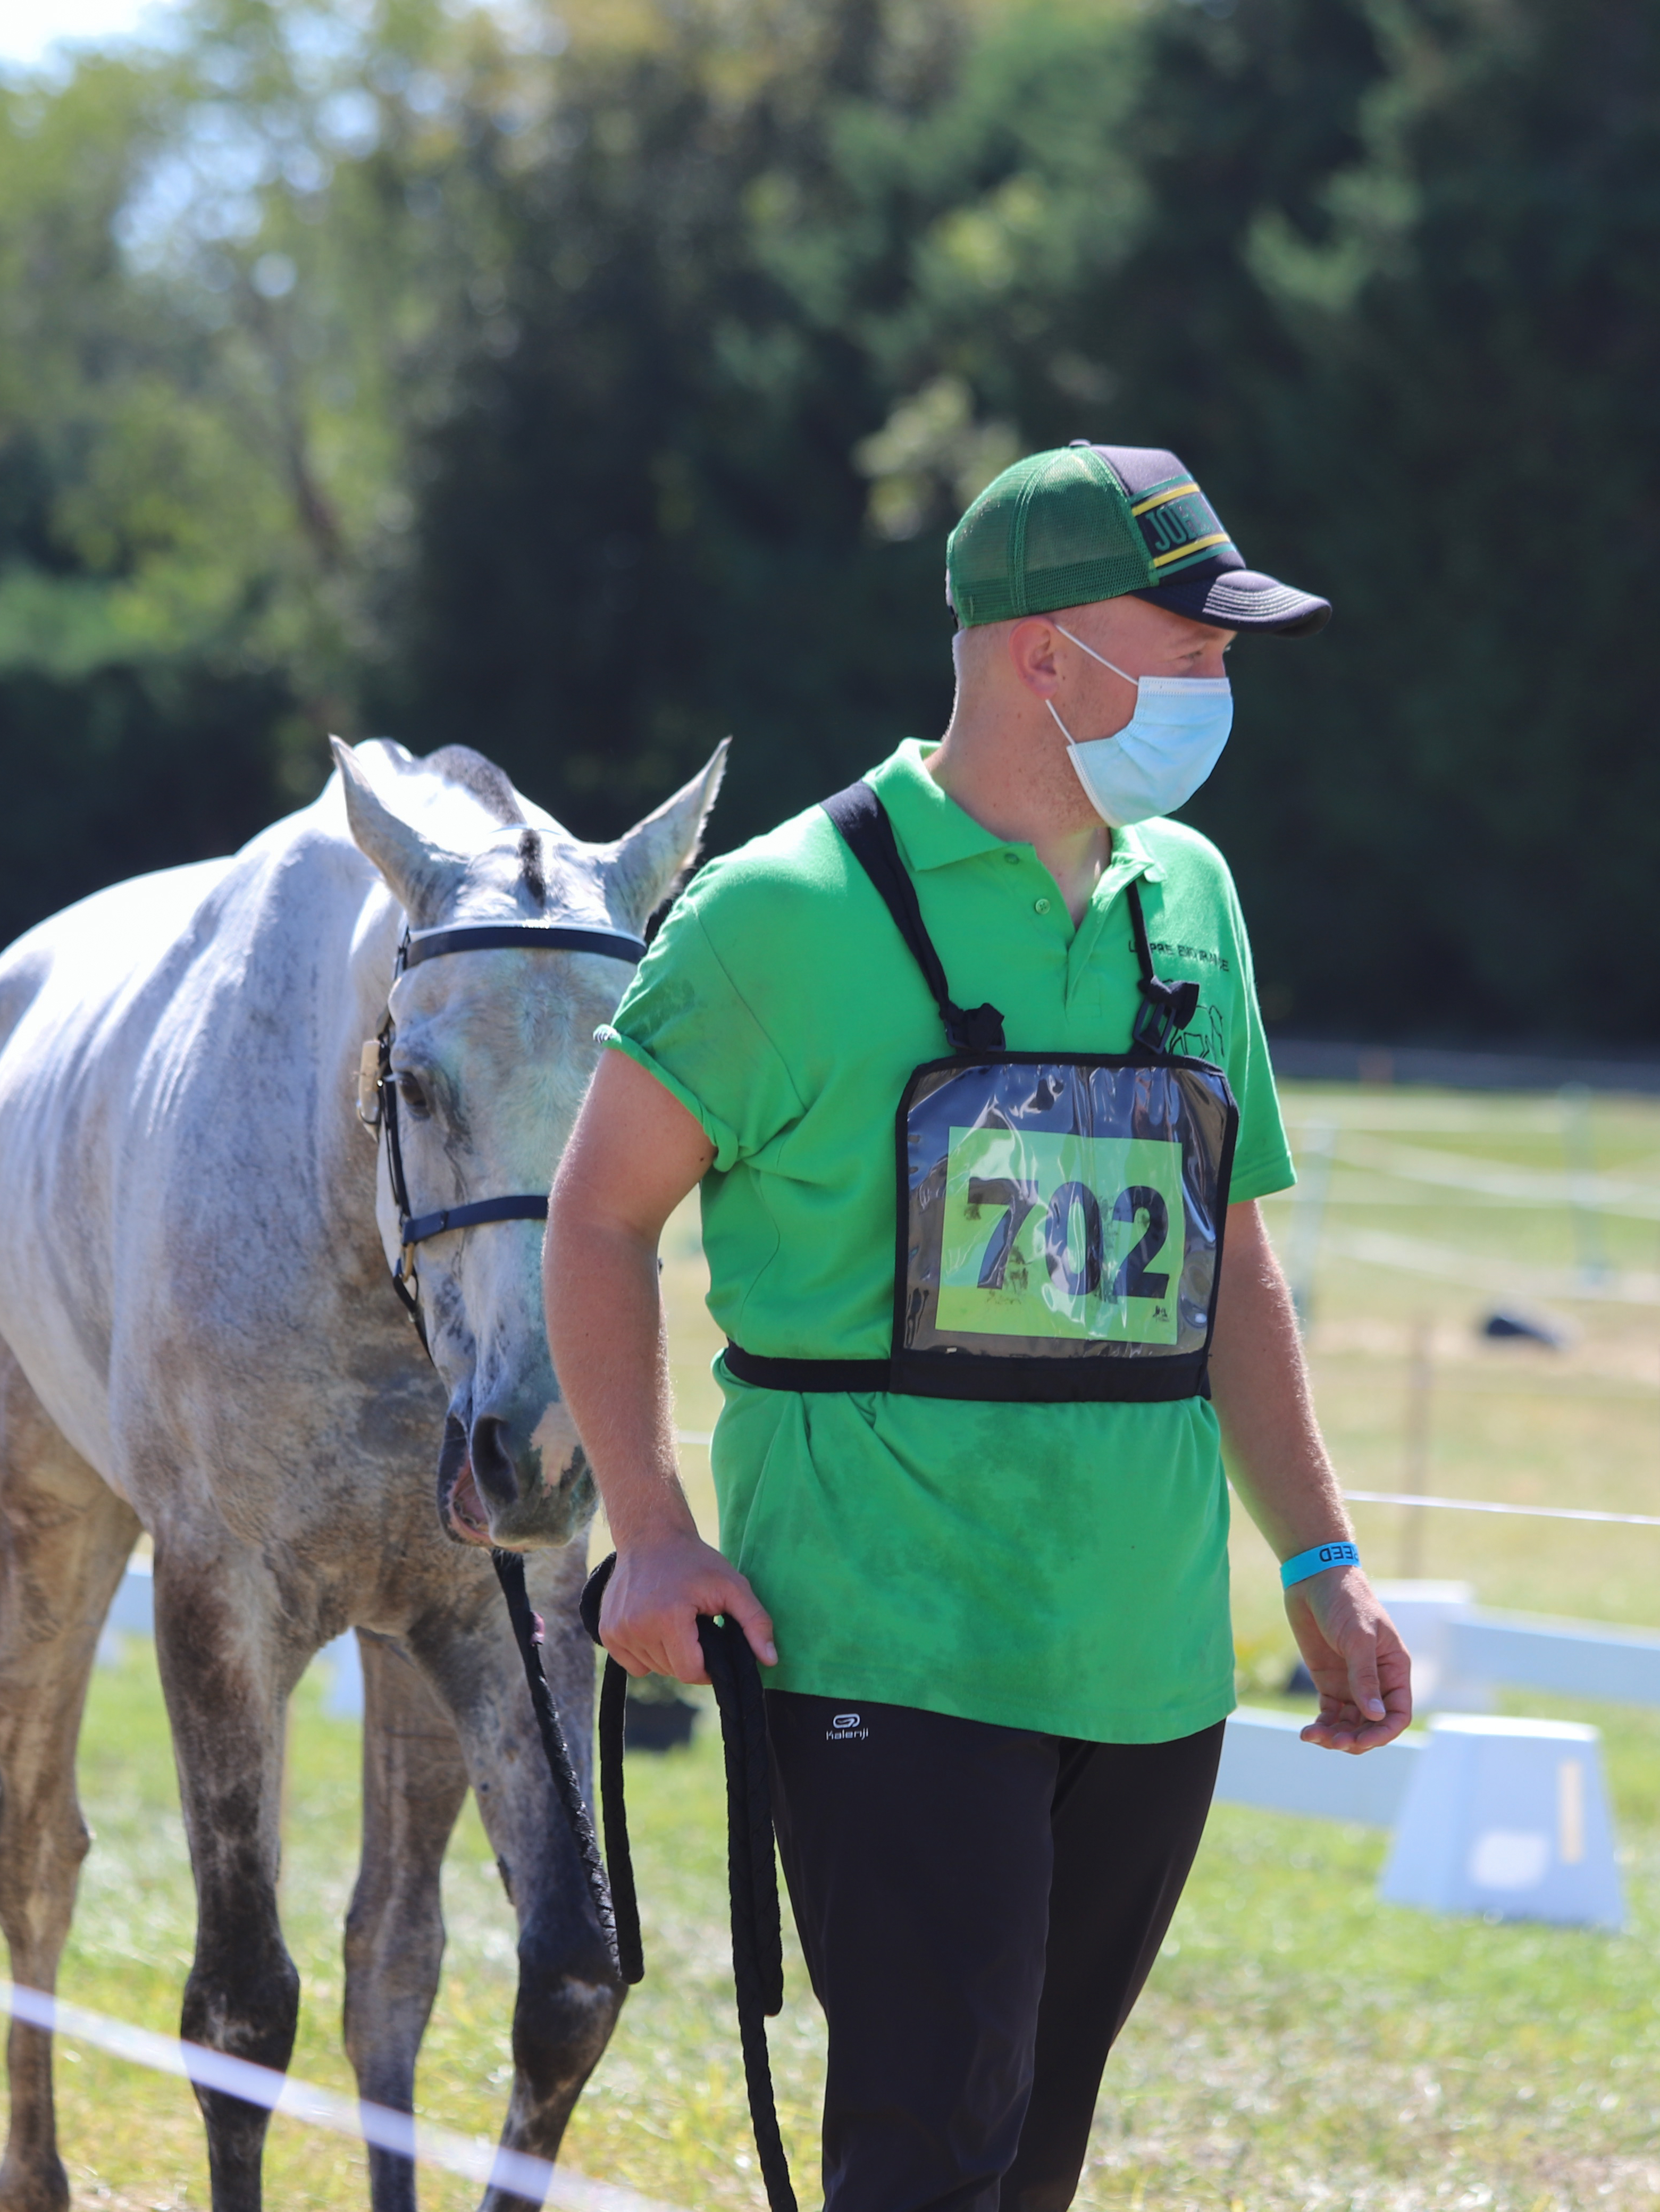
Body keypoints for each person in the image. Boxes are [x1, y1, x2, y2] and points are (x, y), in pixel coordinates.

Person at [546, 441, 1414, 2210]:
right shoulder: (776, 916)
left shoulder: (1197, 904)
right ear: (1041, 654)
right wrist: (647, 1532)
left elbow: (1227, 1260)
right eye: (1189, 645)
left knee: (1024, 2165)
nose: (1217, 682)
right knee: (926, 2159)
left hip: (1147, 1667)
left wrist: (1320, 1563)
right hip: (886, 1650)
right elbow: (597, 1214)